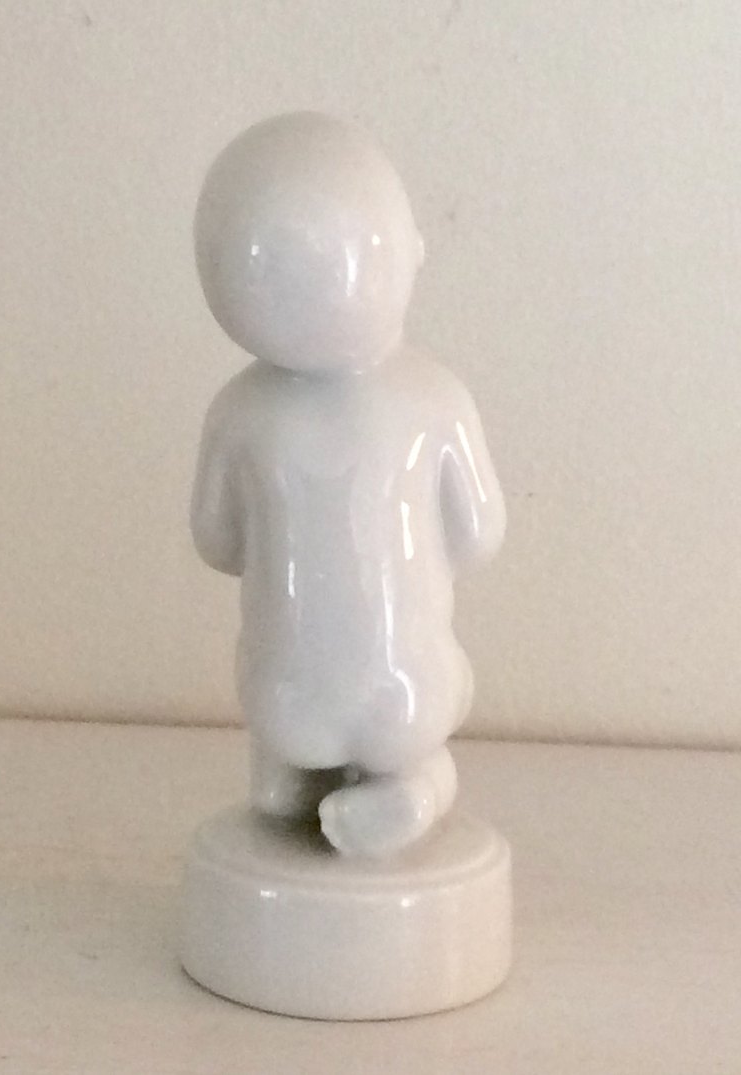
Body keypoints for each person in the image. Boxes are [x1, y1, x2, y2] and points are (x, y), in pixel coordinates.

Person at [191, 113, 505, 857]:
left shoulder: (239, 412)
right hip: (406, 692)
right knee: (426, 709)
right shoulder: (436, 398)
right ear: (411, 249)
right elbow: (479, 535)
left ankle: (290, 776)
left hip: (282, 700)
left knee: (286, 711)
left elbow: (216, 542)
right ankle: (417, 786)